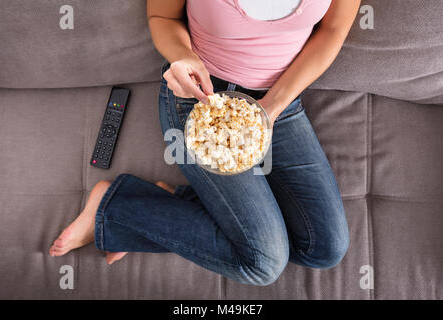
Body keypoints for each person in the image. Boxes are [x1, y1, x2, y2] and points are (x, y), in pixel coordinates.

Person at [50, 0, 360, 286]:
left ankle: (155, 205)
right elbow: (162, 16)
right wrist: (184, 57)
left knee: (325, 249)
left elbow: (334, 29)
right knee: (263, 263)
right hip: (201, 99)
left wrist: (274, 105)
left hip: (281, 101)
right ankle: (113, 209)